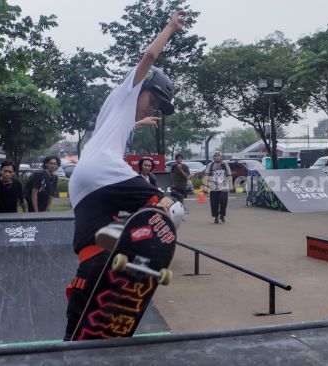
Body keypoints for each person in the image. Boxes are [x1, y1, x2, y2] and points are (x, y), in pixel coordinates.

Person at [64, 10, 187, 341]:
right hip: (101, 168)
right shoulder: (129, 89)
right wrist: (171, 27)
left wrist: (139, 124)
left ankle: (108, 243)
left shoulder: (114, 113)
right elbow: (149, 56)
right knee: (171, 208)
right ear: (143, 87)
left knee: (92, 239)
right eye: (154, 100)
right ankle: (127, 236)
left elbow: (113, 129)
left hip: (83, 184)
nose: (153, 107)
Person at [205, 151, 232, 223]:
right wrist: (206, 185)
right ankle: (216, 217)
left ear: (221, 157)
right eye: (215, 156)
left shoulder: (225, 164)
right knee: (214, 202)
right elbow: (207, 174)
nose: (217, 157)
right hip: (213, 187)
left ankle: (222, 215)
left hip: (223, 186)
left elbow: (229, 174)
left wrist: (231, 185)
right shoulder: (210, 165)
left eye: (218, 156)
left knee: (223, 200)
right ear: (213, 157)